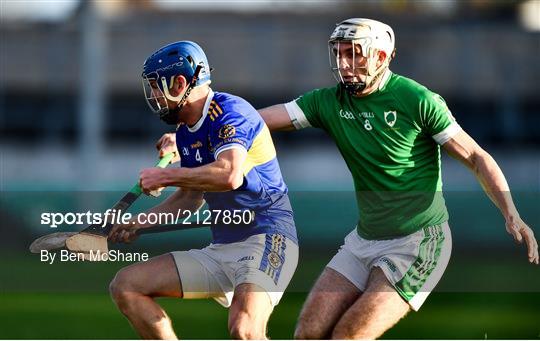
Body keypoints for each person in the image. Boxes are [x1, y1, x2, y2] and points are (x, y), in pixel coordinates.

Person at [254, 18, 538, 339]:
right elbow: (256, 121)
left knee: (348, 335)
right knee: (307, 333)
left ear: (381, 56)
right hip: (364, 239)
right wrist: (206, 125)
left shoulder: (417, 100)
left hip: (418, 242)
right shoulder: (328, 101)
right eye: (339, 53)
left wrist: (511, 212)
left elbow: (475, 157)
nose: (344, 63)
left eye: (355, 53)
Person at [108, 41, 298, 340]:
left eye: (158, 86)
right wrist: (137, 223)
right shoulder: (185, 133)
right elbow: (189, 199)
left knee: (245, 330)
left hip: (267, 239)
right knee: (126, 286)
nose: (154, 96)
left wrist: (166, 176)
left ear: (180, 82)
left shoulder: (231, 112)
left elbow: (229, 175)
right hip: (221, 249)